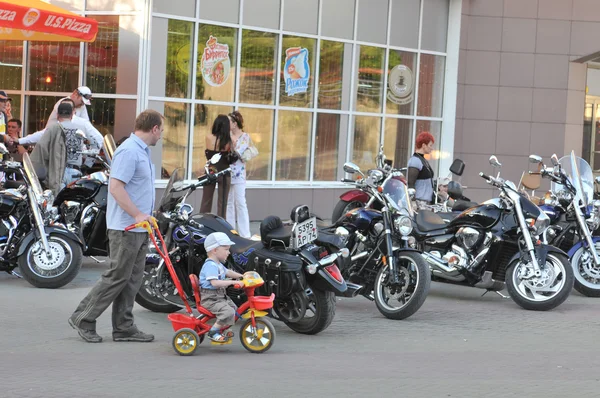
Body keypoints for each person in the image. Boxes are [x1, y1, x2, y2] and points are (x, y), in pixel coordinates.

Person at [69, 109, 164, 343]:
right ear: (153, 128)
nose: (161, 135)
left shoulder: (140, 152)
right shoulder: (129, 152)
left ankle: (124, 326)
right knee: (117, 276)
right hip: (126, 227)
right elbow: (116, 188)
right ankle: (84, 317)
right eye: (161, 130)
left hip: (139, 226)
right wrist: (138, 214)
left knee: (132, 279)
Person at [29, 100, 102, 194]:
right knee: (74, 203)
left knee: (58, 203)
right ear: (72, 114)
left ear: (58, 115)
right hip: (75, 172)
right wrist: (87, 164)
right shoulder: (82, 126)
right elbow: (97, 144)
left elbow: (41, 148)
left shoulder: (52, 128)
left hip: (57, 172)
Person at [200, 232, 244, 343]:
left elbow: (228, 272)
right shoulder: (210, 265)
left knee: (233, 308)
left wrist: (242, 276)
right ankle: (213, 332)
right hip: (210, 298)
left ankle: (222, 329)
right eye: (226, 249)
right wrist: (231, 283)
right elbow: (214, 283)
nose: (228, 252)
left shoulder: (218, 264)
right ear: (215, 250)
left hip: (218, 296)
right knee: (228, 312)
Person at [200, 115, 235, 218]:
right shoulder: (229, 140)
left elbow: (208, 155)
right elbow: (233, 154)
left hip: (210, 170)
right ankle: (221, 225)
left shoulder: (208, 137)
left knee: (206, 201)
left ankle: (203, 222)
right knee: (222, 203)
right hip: (224, 172)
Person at [226, 111, 251, 238]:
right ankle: (231, 231)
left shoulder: (245, 137)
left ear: (235, 124)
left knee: (240, 202)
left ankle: (245, 233)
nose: (227, 124)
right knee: (229, 202)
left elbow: (239, 154)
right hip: (227, 172)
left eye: (229, 121)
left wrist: (233, 146)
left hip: (239, 174)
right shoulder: (226, 135)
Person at [407, 131, 435, 210]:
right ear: (423, 145)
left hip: (425, 203)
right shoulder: (415, 161)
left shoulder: (423, 160)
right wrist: (413, 202)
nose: (432, 148)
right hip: (419, 203)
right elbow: (410, 183)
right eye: (430, 145)